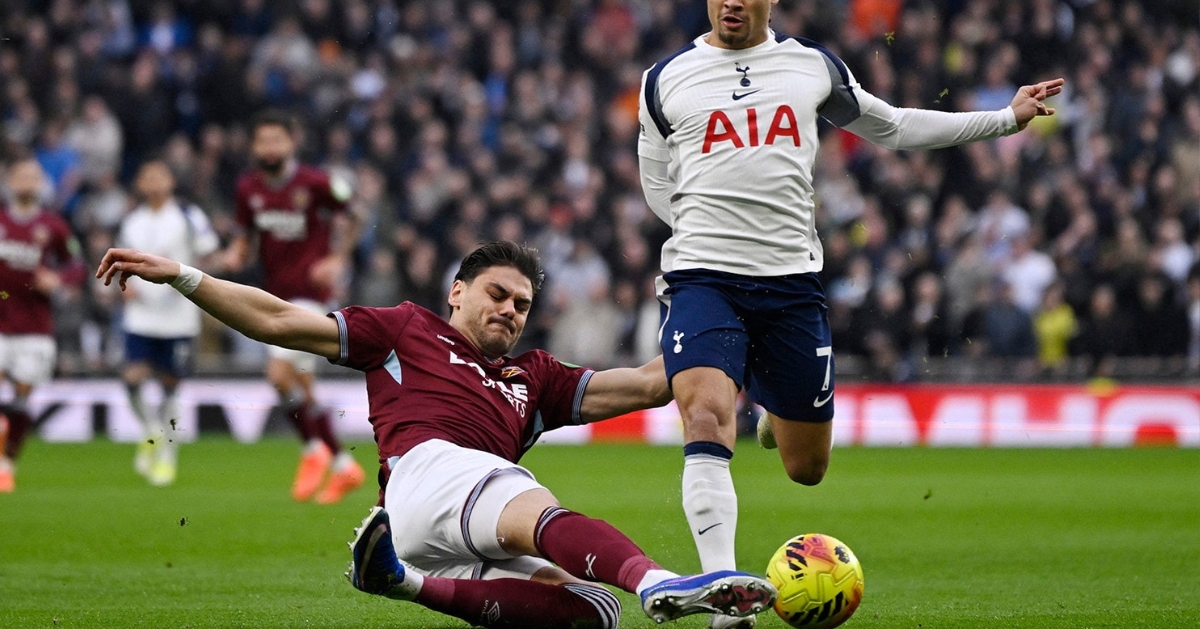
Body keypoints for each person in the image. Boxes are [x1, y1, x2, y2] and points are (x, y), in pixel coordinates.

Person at [636, 0, 1063, 627]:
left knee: (807, 468)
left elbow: (892, 127)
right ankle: (725, 593)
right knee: (706, 414)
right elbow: (659, 189)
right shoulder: (665, 80)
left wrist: (1003, 119)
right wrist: (708, 232)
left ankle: (776, 411)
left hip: (790, 285)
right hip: (703, 276)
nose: (733, 0)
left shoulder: (811, 69)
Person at [96, 240, 778, 629]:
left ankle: (399, 581)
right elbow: (276, 321)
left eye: (522, 305)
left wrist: (703, 309)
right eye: (497, 295)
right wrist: (183, 277)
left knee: (592, 611)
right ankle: (660, 582)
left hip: (427, 532)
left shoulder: (533, 375)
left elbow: (655, 382)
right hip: (430, 471)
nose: (510, 311)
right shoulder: (403, 329)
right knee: (536, 505)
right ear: (456, 292)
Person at [222, 109, 365, 504]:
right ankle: (341, 464)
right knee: (302, 386)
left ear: (292, 142)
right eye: (262, 141)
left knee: (278, 374)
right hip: (275, 295)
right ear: (253, 146)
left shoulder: (315, 183)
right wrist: (235, 254)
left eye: (276, 140)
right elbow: (244, 234)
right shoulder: (247, 187)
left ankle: (312, 451)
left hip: (311, 296)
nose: (269, 147)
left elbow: (355, 212)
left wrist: (339, 258)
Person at [115, 160, 221, 485]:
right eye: (147, 176)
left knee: (171, 386)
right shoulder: (132, 221)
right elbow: (121, 258)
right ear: (139, 183)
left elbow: (208, 252)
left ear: (171, 181)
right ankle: (151, 429)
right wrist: (125, 286)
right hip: (141, 314)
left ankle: (167, 457)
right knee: (132, 376)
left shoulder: (189, 217)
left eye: (160, 175)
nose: (153, 182)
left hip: (178, 316)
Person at [0, 159, 85, 492]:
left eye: (32, 177)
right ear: (9, 180)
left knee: (21, 401)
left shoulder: (53, 225)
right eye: (20, 174)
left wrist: (59, 279)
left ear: (41, 184)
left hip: (35, 327)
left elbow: (77, 264)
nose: (26, 181)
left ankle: (7, 463)